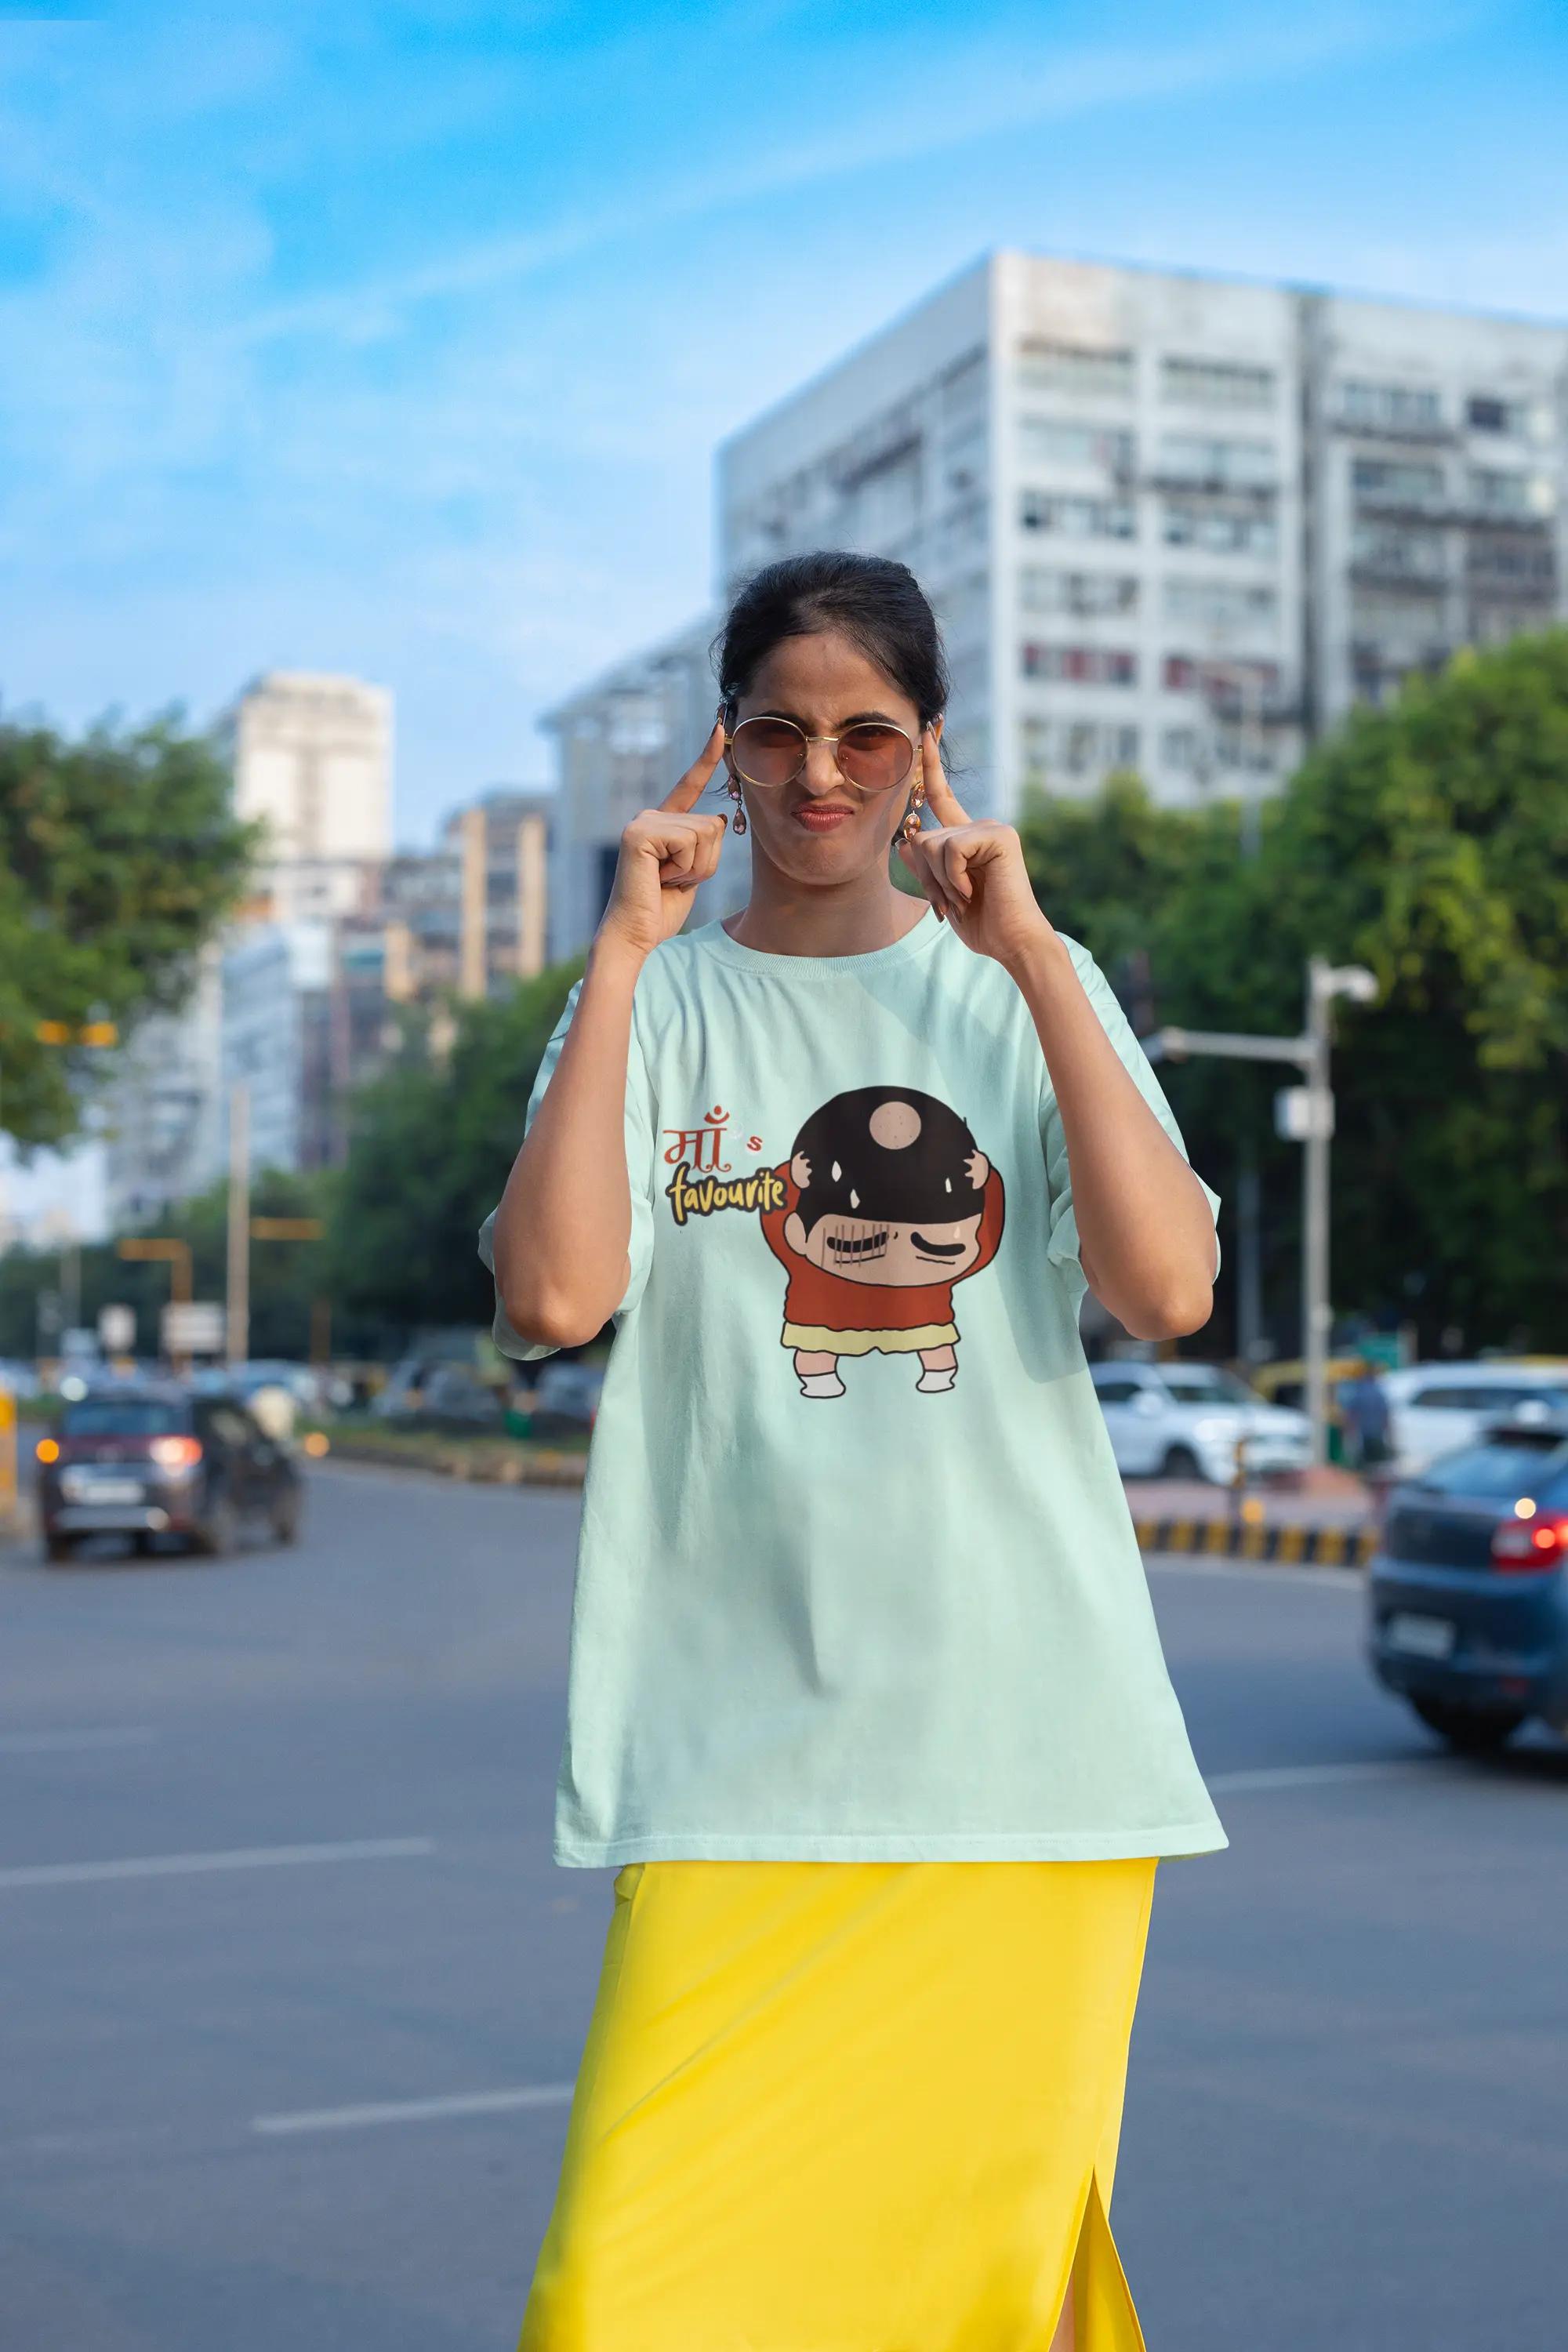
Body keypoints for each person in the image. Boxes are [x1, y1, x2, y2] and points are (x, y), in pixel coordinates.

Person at [485, 550, 1226, 2352]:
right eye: (776, 733)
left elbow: (1160, 1288)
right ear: (718, 755)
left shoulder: (1015, 998)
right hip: (730, 1753)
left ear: (927, 758)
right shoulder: (650, 1004)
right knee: (617, 2296)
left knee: (973, 2290)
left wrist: (1032, 950)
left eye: (865, 736)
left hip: (1016, 1755)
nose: (820, 775)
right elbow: (559, 1293)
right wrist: (614, 949)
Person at [1339, 1357, 1393, 1468]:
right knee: (1378, 1465)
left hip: (1361, 1435)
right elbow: (1385, 1414)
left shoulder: (1356, 1393)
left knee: (1363, 1465)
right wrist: (1390, 1433)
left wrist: (1348, 1432)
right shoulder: (1378, 1392)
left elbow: (1351, 1416)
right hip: (1377, 1433)